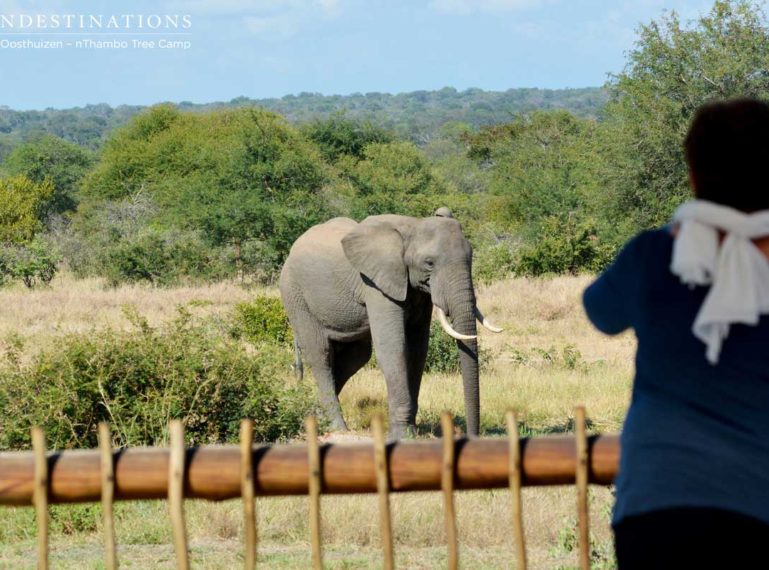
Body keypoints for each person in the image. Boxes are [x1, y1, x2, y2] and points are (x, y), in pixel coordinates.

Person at [583, 98, 769, 569]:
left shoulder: (655, 254)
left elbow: (599, 311)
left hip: (657, 501)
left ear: (693, 176)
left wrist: (679, 230)